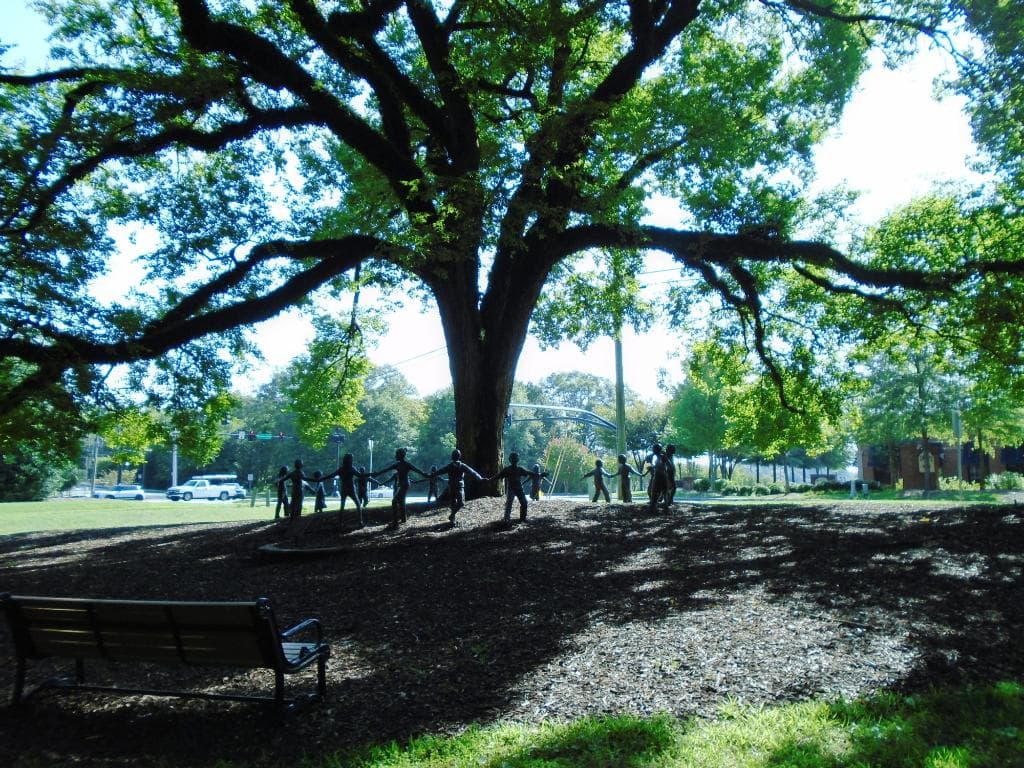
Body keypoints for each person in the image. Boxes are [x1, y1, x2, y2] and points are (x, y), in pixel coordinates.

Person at [372, 448, 428, 526]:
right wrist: (377, 474)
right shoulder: (397, 464)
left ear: (400, 455)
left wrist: (425, 474)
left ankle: (396, 521)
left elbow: (417, 470)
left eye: (396, 454)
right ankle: (403, 519)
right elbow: (386, 469)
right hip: (402, 485)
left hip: (405, 485)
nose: (395, 456)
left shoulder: (406, 464)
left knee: (394, 501)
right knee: (401, 502)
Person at [431, 449, 483, 524]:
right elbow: (440, 471)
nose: (455, 456)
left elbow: (472, 472)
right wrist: (432, 474)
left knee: (461, 503)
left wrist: (480, 478)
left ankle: (452, 515)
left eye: (456, 455)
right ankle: (452, 520)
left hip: (459, 486)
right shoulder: (449, 466)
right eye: (454, 455)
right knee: (453, 502)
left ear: (459, 456)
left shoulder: (462, 466)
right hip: (452, 486)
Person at [491, 452, 543, 523]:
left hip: (519, 489)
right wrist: (489, 479)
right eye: (513, 458)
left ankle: (522, 518)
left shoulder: (519, 469)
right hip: (511, 489)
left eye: (515, 458)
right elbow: (498, 476)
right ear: (510, 459)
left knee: (524, 502)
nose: (515, 459)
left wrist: (539, 475)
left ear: (517, 459)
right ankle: (507, 518)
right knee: (509, 503)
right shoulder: (507, 469)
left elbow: (529, 473)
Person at [323, 453, 371, 527]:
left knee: (342, 506)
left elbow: (331, 475)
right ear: (350, 460)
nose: (352, 460)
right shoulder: (351, 468)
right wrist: (371, 474)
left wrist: (322, 478)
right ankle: (360, 522)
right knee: (358, 505)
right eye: (351, 458)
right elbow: (360, 475)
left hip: (344, 489)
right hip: (351, 489)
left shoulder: (342, 469)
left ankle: (340, 522)